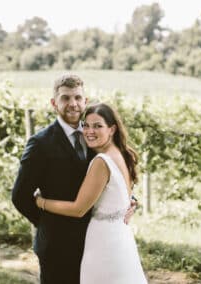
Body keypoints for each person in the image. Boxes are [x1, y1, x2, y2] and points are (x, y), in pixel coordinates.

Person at [11, 74, 136, 284]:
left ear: (85, 101)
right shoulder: (40, 144)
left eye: (78, 98)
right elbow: (20, 196)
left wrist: (129, 201)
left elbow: (113, 176)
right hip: (58, 245)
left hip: (97, 242)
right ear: (54, 103)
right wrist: (48, 224)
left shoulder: (96, 136)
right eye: (65, 98)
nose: (73, 104)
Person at [34, 103, 147, 284]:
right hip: (122, 238)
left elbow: (78, 209)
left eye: (97, 126)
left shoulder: (101, 162)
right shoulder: (124, 155)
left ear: (112, 129)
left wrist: (41, 202)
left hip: (103, 242)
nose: (89, 131)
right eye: (86, 125)